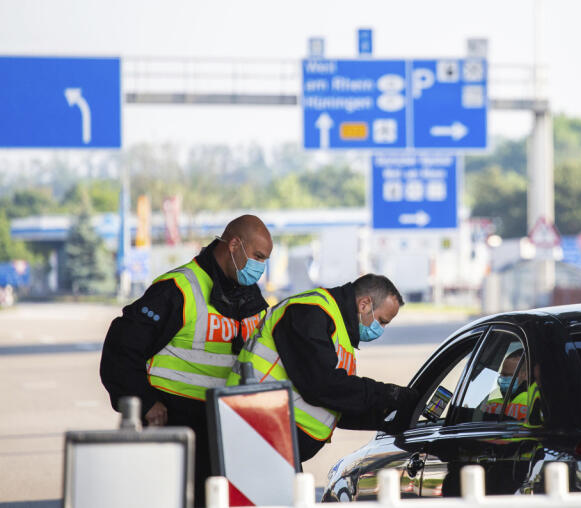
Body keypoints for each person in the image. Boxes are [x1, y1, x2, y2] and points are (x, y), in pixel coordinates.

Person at [100, 214, 272, 502]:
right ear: (234, 245)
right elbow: (121, 349)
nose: (261, 267)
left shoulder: (251, 299)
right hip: (177, 424)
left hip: (230, 427)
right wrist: (144, 400)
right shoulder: (178, 289)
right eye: (257, 256)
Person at [226, 273, 419, 462]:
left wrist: (384, 418)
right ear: (364, 304)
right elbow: (322, 386)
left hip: (274, 441)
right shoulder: (308, 312)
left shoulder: (338, 330)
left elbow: (337, 403)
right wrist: (390, 394)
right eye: (382, 321)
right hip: (258, 432)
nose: (381, 329)